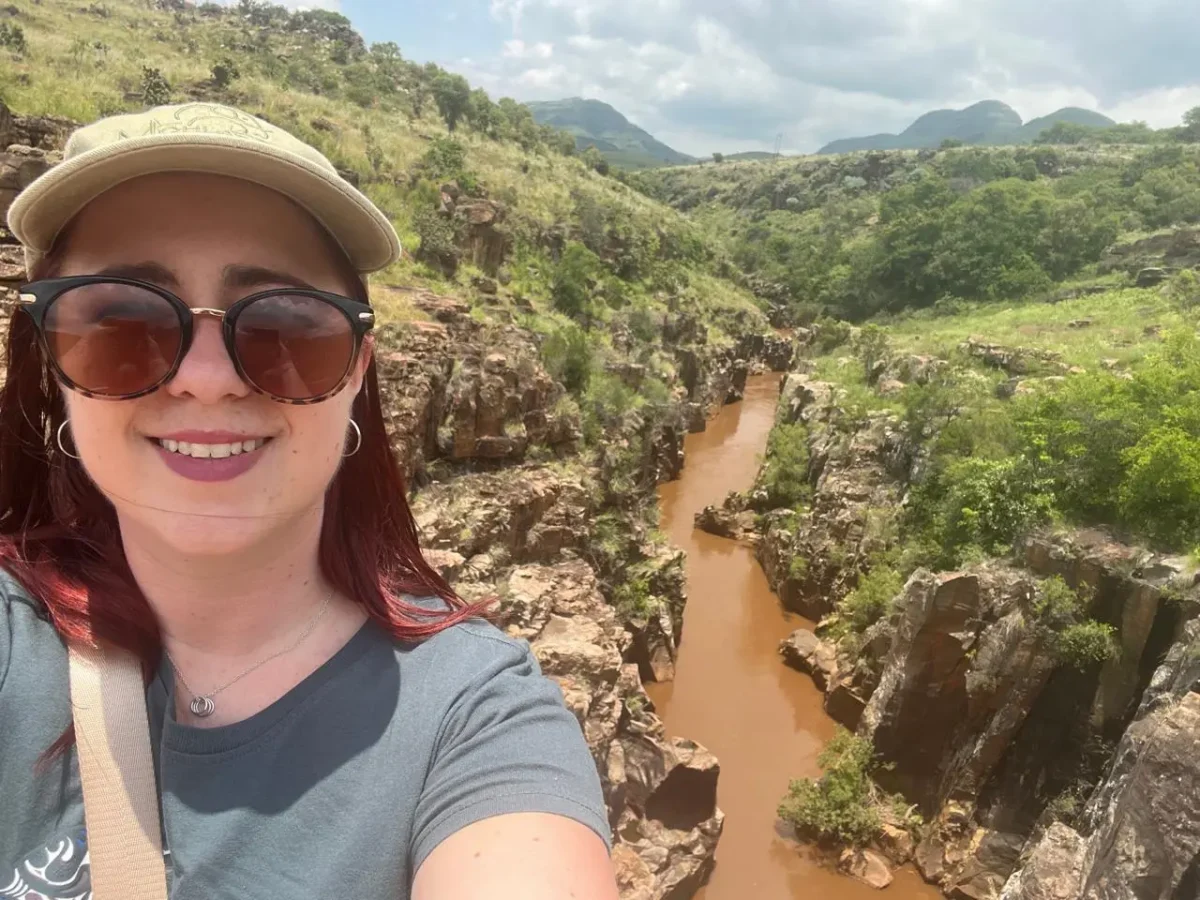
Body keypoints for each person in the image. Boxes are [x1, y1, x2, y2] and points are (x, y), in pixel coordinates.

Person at [0, 102, 619, 900]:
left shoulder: (473, 720)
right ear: (51, 355)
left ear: (358, 369)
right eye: (124, 319)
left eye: (287, 327)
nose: (207, 379)